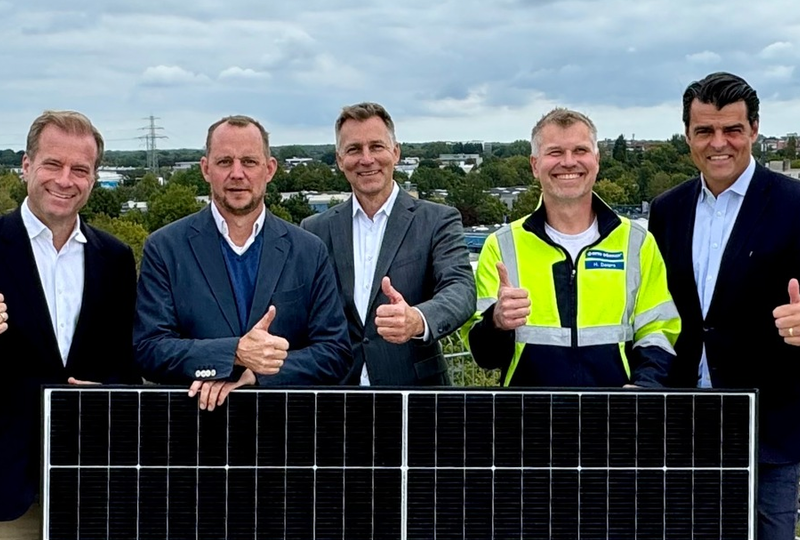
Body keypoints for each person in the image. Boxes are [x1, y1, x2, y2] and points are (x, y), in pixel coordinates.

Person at [648, 72, 800, 540]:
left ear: (754, 129)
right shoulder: (667, 210)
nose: (719, 143)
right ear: (687, 136)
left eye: (732, 129)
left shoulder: (794, 203)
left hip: (768, 429)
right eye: (705, 131)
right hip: (685, 425)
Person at [134, 115, 351, 408]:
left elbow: (335, 353)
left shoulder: (308, 250)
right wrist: (233, 354)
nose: (237, 174)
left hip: (285, 426)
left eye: (249, 162)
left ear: (269, 169)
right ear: (205, 169)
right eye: (225, 162)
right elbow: (149, 350)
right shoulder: (165, 248)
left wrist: (257, 373)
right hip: (195, 423)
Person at [0, 111, 138, 540]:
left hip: (88, 487)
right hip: (6, 496)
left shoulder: (115, 259)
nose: (65, 180)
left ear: (94, 178)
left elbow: (127, 367)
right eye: (52, 164)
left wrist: (108, 392)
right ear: (26, 166)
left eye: (80, 169)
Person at [466, 108, 680, 387]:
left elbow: (658, 331)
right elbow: (484, 356)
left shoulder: (637, 242)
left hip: (615, 410)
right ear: (534, 165)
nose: (568, 162)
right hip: (530, 412)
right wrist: (496, 322)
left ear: (596, 161)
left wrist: (645, 385)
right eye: (555, 152)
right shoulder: (501, 245)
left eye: (580, 150)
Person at [301, 102, 475, 385]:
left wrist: (417, 319)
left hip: (415, 392)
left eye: (377, 146)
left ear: (396, 152)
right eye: (354, 149)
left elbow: (461, 289)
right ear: (339, 160)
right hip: (339, 392)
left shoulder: (437, 220)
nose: (366, 159)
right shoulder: (315, 229)